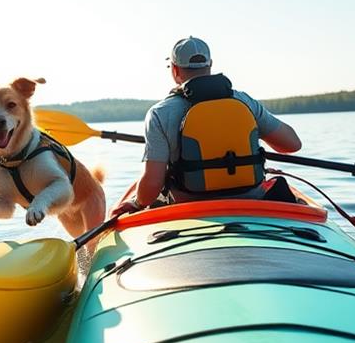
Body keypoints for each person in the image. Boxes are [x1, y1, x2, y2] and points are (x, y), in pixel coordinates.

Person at [110, 36, 302, 217]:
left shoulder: (160, 113)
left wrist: (136, 203)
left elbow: (151, 186)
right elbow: (292, 144)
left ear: (175, 70)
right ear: (210, 65)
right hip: (251, 200)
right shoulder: (244, 102)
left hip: (188, 206)